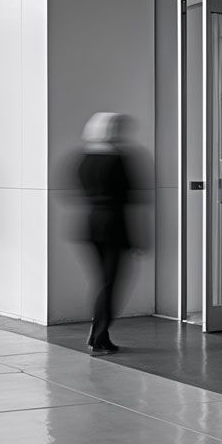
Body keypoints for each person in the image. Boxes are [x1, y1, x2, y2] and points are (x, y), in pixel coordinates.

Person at [77, 113, 138, 354]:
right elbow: (129, 196)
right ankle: (99, 334)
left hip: (92, 225)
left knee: (103, 281)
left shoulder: (85, 159)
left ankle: (100, 333)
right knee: (111, 283)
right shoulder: (118, 159)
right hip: (114, 226)